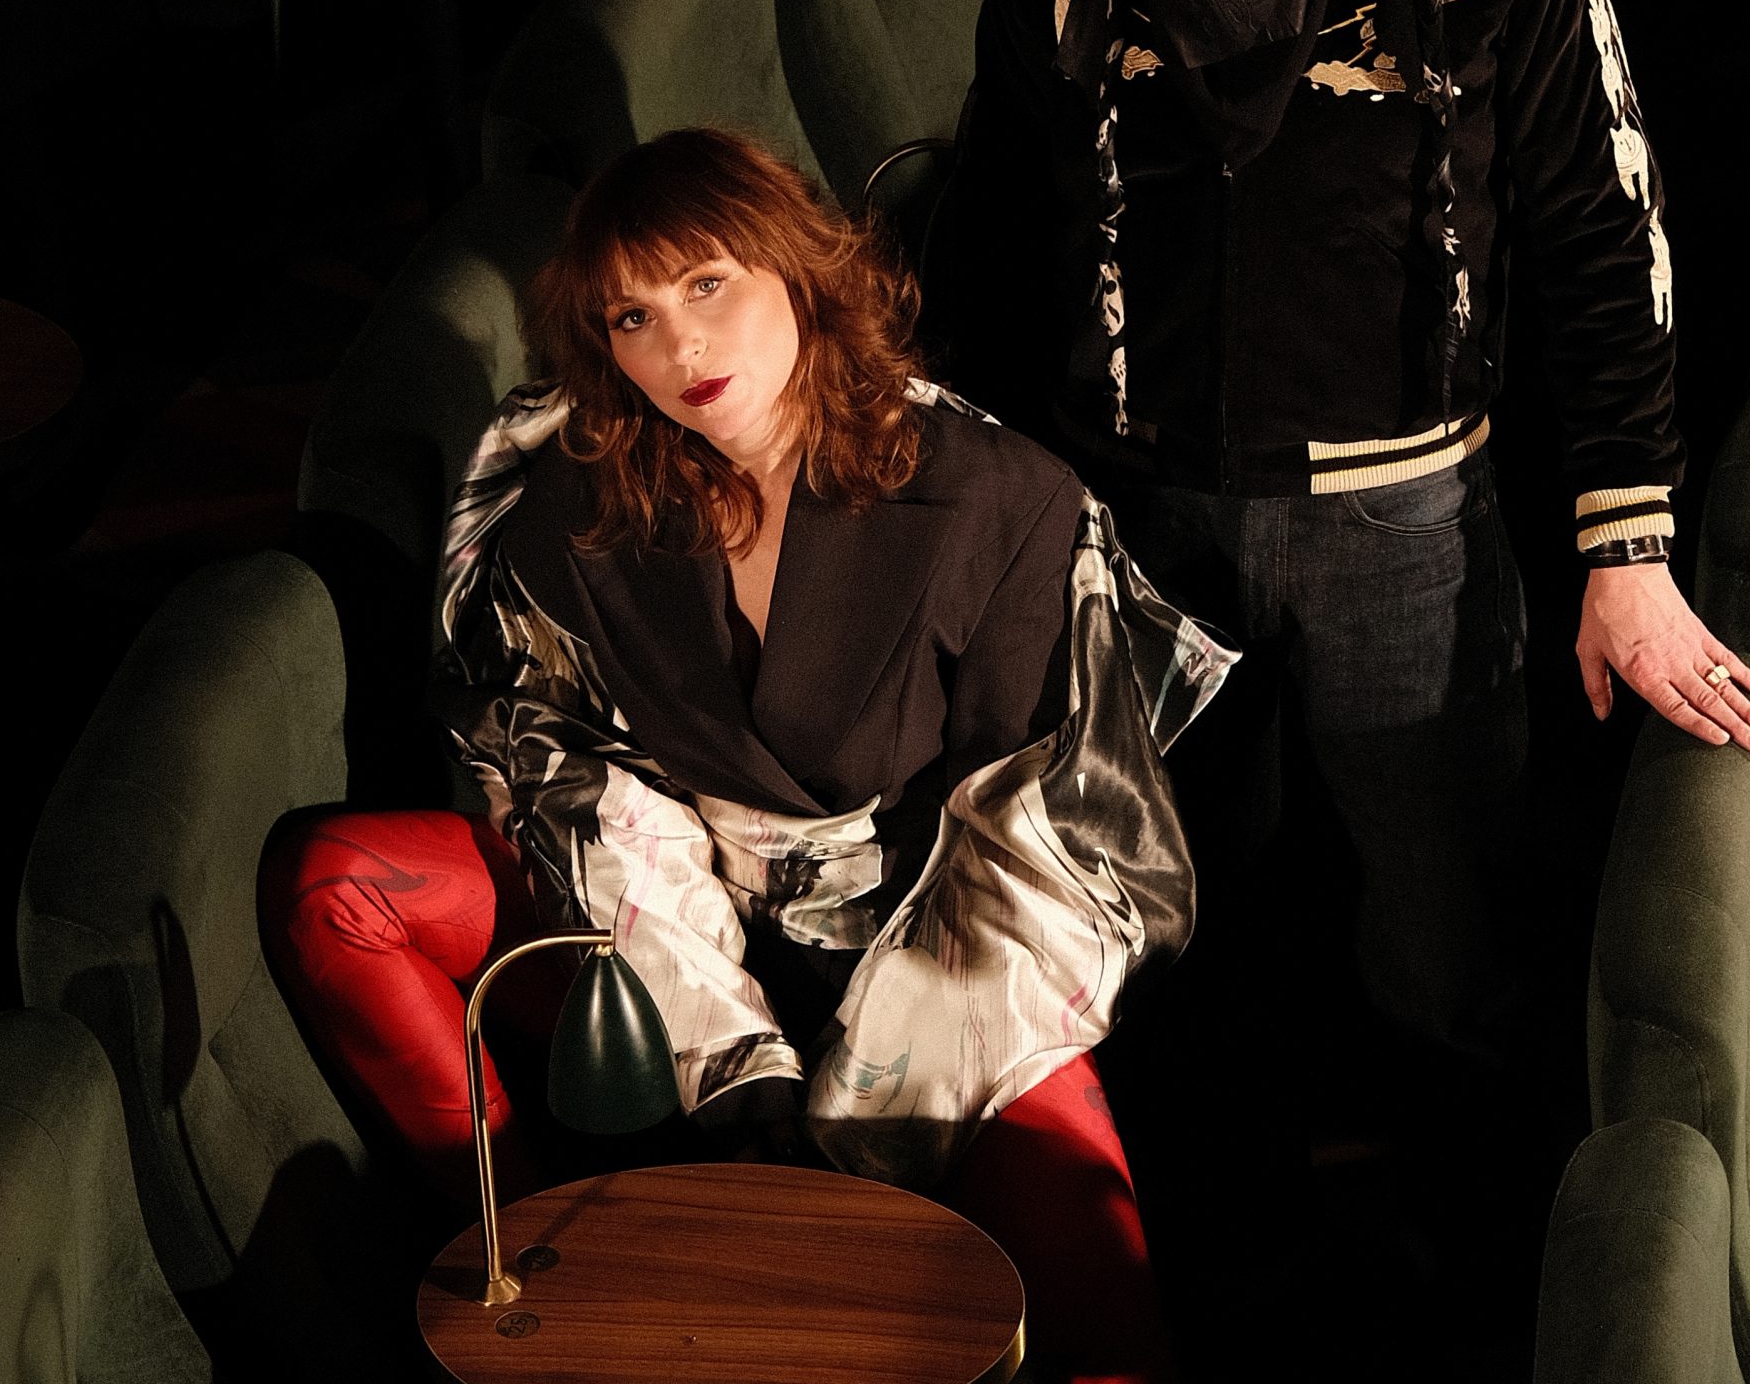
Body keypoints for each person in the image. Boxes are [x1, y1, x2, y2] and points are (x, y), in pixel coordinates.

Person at [921, 0, 1750, 1360]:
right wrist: (955, 502)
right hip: (1129, 509)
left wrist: (1627, 549)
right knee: (1168, 931)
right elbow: (1001, 194)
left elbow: (1599, 225)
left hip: (1403, 510)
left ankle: (1475, 1306)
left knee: (1439, 940)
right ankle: (1216, 1299)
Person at [263, 126, 1229, 1384]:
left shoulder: (998, 495)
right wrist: (717, 1045)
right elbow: (579, 781)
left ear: (797, 270)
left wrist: (857, 1111)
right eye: (633, 316)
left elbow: (1033, 851)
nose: (681, 349)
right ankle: (530, 1244)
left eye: (708, 284)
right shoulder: (581, 495)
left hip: (925, 957)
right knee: (333, 878)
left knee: (1099, 1292)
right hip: (659, 926)